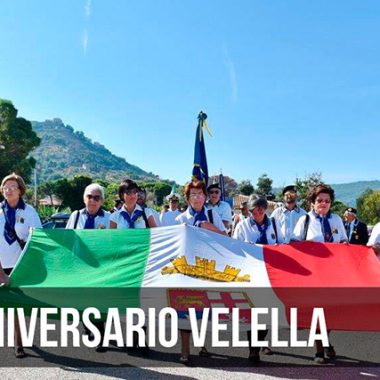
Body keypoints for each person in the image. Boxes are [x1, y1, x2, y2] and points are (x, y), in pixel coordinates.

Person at [292, 183, 347, 363]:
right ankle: (319, 351)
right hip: (313, 275)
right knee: (318, 311)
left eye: (327, 201)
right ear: (312, 202)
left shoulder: (337, 220)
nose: (323, 204)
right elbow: (293, 245)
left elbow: (344, 243)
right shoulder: (305, 221)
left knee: (331, 312)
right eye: (319, 200)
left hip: (334, 275)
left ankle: (324, 340)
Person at [175, 180, 226, 364]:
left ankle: (201, 342)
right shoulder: (180, 219)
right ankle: (185, 349)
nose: (197, 197)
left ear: (205, 197)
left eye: (200, 194)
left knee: (203, 309)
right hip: (186, 270)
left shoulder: (212, 215)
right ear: (187, 198)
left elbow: (226, 238)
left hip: (209, 268)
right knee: (184, 309)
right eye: (193, 194)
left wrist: (209, 227)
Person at [233, 194, 284, 363]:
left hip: (272, 273)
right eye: (254, 210)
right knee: (254, 312)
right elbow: (235, 248)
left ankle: (261, 340)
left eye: (260, 209)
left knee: (268, 312)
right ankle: (253, 349)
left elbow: (283, 246)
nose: (257, 213)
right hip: (252, 274)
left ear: (265, 209)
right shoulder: (242, 226)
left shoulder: (275, 225)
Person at [0, 173, 42, 358]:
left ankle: (18, 339)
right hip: (1, 265)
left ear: (20, 190)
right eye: (5, 186)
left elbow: (39, 238)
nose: (8, 189)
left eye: (13, 186)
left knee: (16, 305)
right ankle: (19, 340)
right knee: (9, 305)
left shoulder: (29, 211)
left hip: (21, 265)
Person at [66, 183, 110, 352]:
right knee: (83, 301)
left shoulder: (108, 217)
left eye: (97, 197)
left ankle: (101, 336)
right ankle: (89, 327)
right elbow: (67, 239)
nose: (92, 200)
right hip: (80, 266)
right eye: (89, 196)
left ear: (102, 201)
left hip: (100, 267)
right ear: (84, 198)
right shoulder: (76, 216)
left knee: (98, 301)